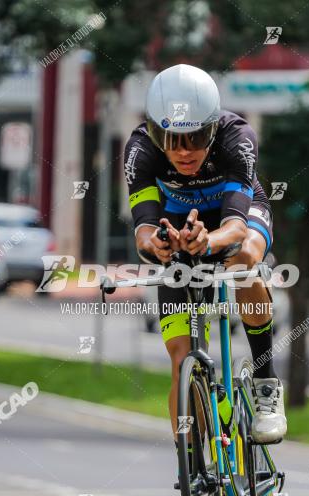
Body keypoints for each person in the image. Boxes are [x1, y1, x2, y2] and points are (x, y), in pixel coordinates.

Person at [123, 63, 287, 446]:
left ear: (212, 129)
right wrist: (157, 245)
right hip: (177, 226)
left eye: (195, 138)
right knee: (182, 362)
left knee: (243, 257)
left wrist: (208, 243)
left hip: (235, 215)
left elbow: (235, 227)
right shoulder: (141, 149)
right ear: (153, 131)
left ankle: (265, 382)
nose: (182, 152)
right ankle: (197, 462)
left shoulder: (238, 138)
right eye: (170, 138)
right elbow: (144, 229)